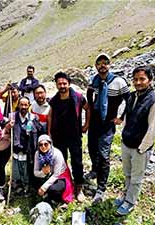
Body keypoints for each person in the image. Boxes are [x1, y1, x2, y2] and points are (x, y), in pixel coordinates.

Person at [115, 66, 155, 215]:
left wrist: (142, 148)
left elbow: (153, 129)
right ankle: (126, 195)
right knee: (127, 173)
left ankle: (130, 202)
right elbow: (128, 118)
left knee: (136, 177)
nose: (138, 82)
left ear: (150, 80)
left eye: (142, 79)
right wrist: (123, 137)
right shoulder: (132, 96)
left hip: (140, 148)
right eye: (135, 79)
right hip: (127, 143)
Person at [86, 53, 130, 204]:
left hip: (107, 124)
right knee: (91, 148)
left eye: (105, 63)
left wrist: (121, 117)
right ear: (96, 66)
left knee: (104, 155)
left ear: (110, 65)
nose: (102, 66)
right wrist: (89, 112)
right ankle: (94, 170)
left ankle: (101, 188)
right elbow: (89, 95)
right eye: (99, 63)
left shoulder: (118, 81)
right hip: (94, 123)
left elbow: (129, 100)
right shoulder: (94, 80)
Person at [48, 72, 90, 202]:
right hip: (59, 136)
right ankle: (66, 185)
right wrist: (49, 134)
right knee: (62, 162)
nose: (62, 86)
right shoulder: (54, 101)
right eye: (59, 83)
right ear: (56, 85)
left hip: (74, 136)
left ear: (69, 83)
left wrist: (86, 125)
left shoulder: (78, 97)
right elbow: (50, 117)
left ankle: (79, 187)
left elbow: (88, 108)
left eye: (64, 83)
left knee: (77, 162)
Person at [12, 96, 42, 194]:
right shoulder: (12, 116)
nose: (24, 107)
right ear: (18, 105)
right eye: (21, 104)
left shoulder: (33, 117)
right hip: (16, 147)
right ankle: (18, 183)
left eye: (26, 105)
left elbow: (40, 130)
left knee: (27, 167)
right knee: (17, 167)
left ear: (29, 106)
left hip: (28, 149)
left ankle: (27, 184)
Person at [34, 134, 74, 204]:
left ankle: (55, 199)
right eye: (41, 145)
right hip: (46, 174)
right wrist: (43, 172)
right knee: (34, 182)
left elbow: (56, 174)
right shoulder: (37, 154)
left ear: (50, 144)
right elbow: (35, 172)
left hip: (60, 175)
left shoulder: (57, 154)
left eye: (46, 144)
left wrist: (44, 187)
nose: (43, 147)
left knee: (52, 189)